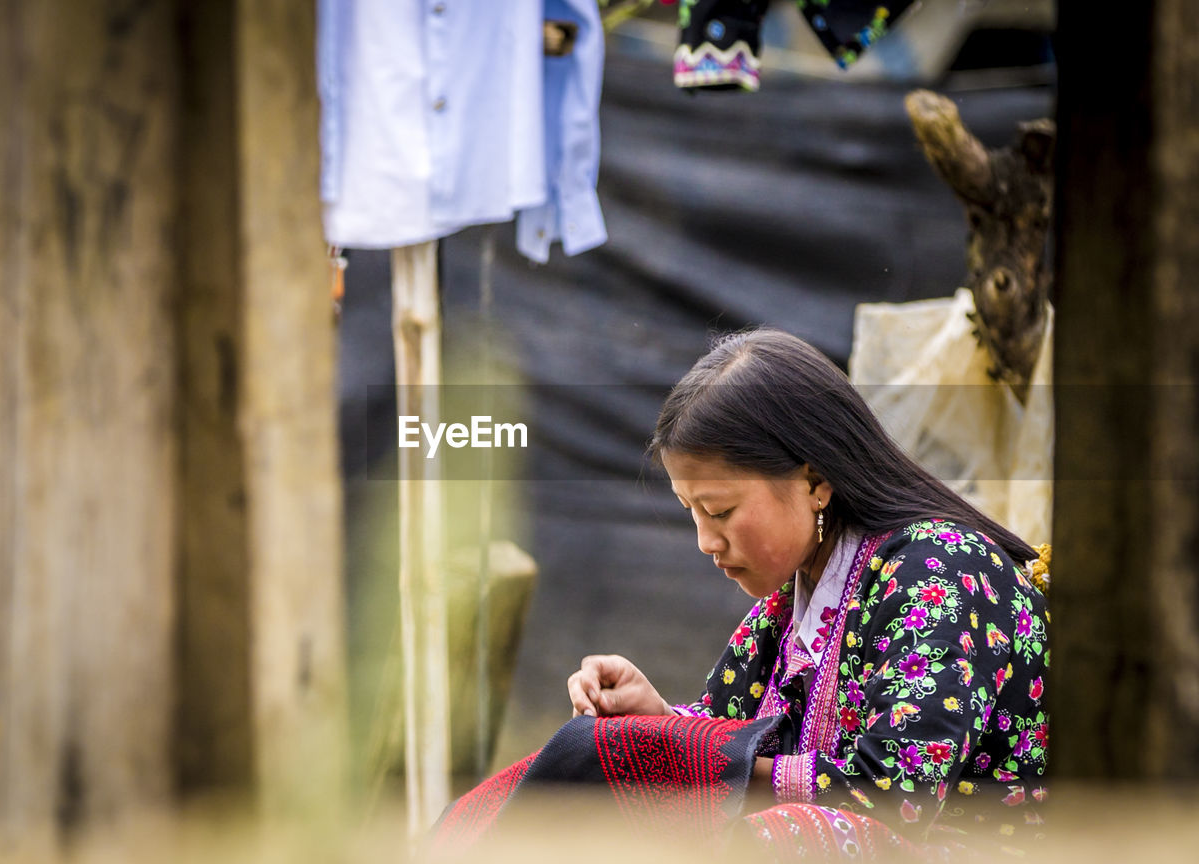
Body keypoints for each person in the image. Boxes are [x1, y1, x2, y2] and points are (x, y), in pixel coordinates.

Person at [439, 329, 1049, 859]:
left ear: (814, 478)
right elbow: (724, 739)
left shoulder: (942, 572)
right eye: (692, 514)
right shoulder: (788, 608)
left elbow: (896, 799)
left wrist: (675, 757)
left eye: (722, 510)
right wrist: (653, 723)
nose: (707, 542)